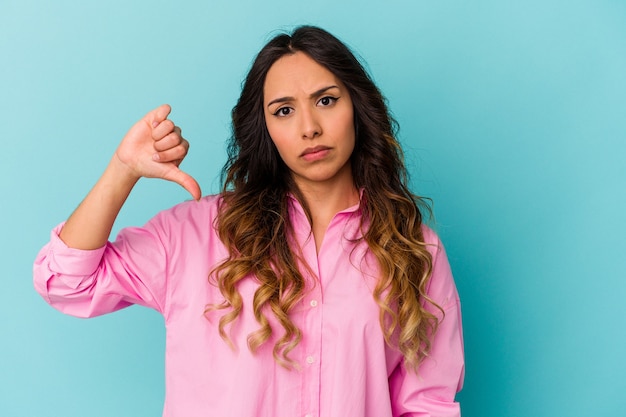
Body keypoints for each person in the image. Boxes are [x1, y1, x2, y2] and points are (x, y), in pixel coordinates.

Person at [33, 26, 464, 417]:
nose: (309, 127)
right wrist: (122, 169)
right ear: (265, 128)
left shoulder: (414, 250)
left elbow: (427, 405)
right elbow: (68, 283)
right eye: (283, 111)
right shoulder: (195, 235)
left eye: (326, 100)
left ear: (358, 108)